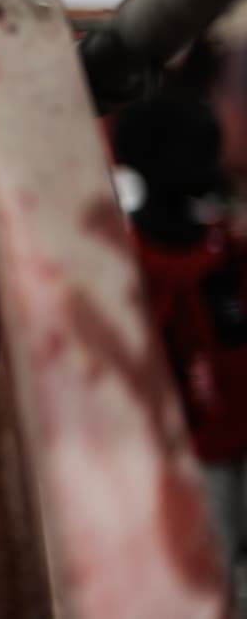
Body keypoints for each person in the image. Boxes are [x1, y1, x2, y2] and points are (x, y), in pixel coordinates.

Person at [114, 95, 247, 615]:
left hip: (233, 439)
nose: (212, 166)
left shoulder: (228, 247)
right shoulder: (131, 257)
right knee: (201, 580)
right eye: (200, 151)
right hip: (185, 457)